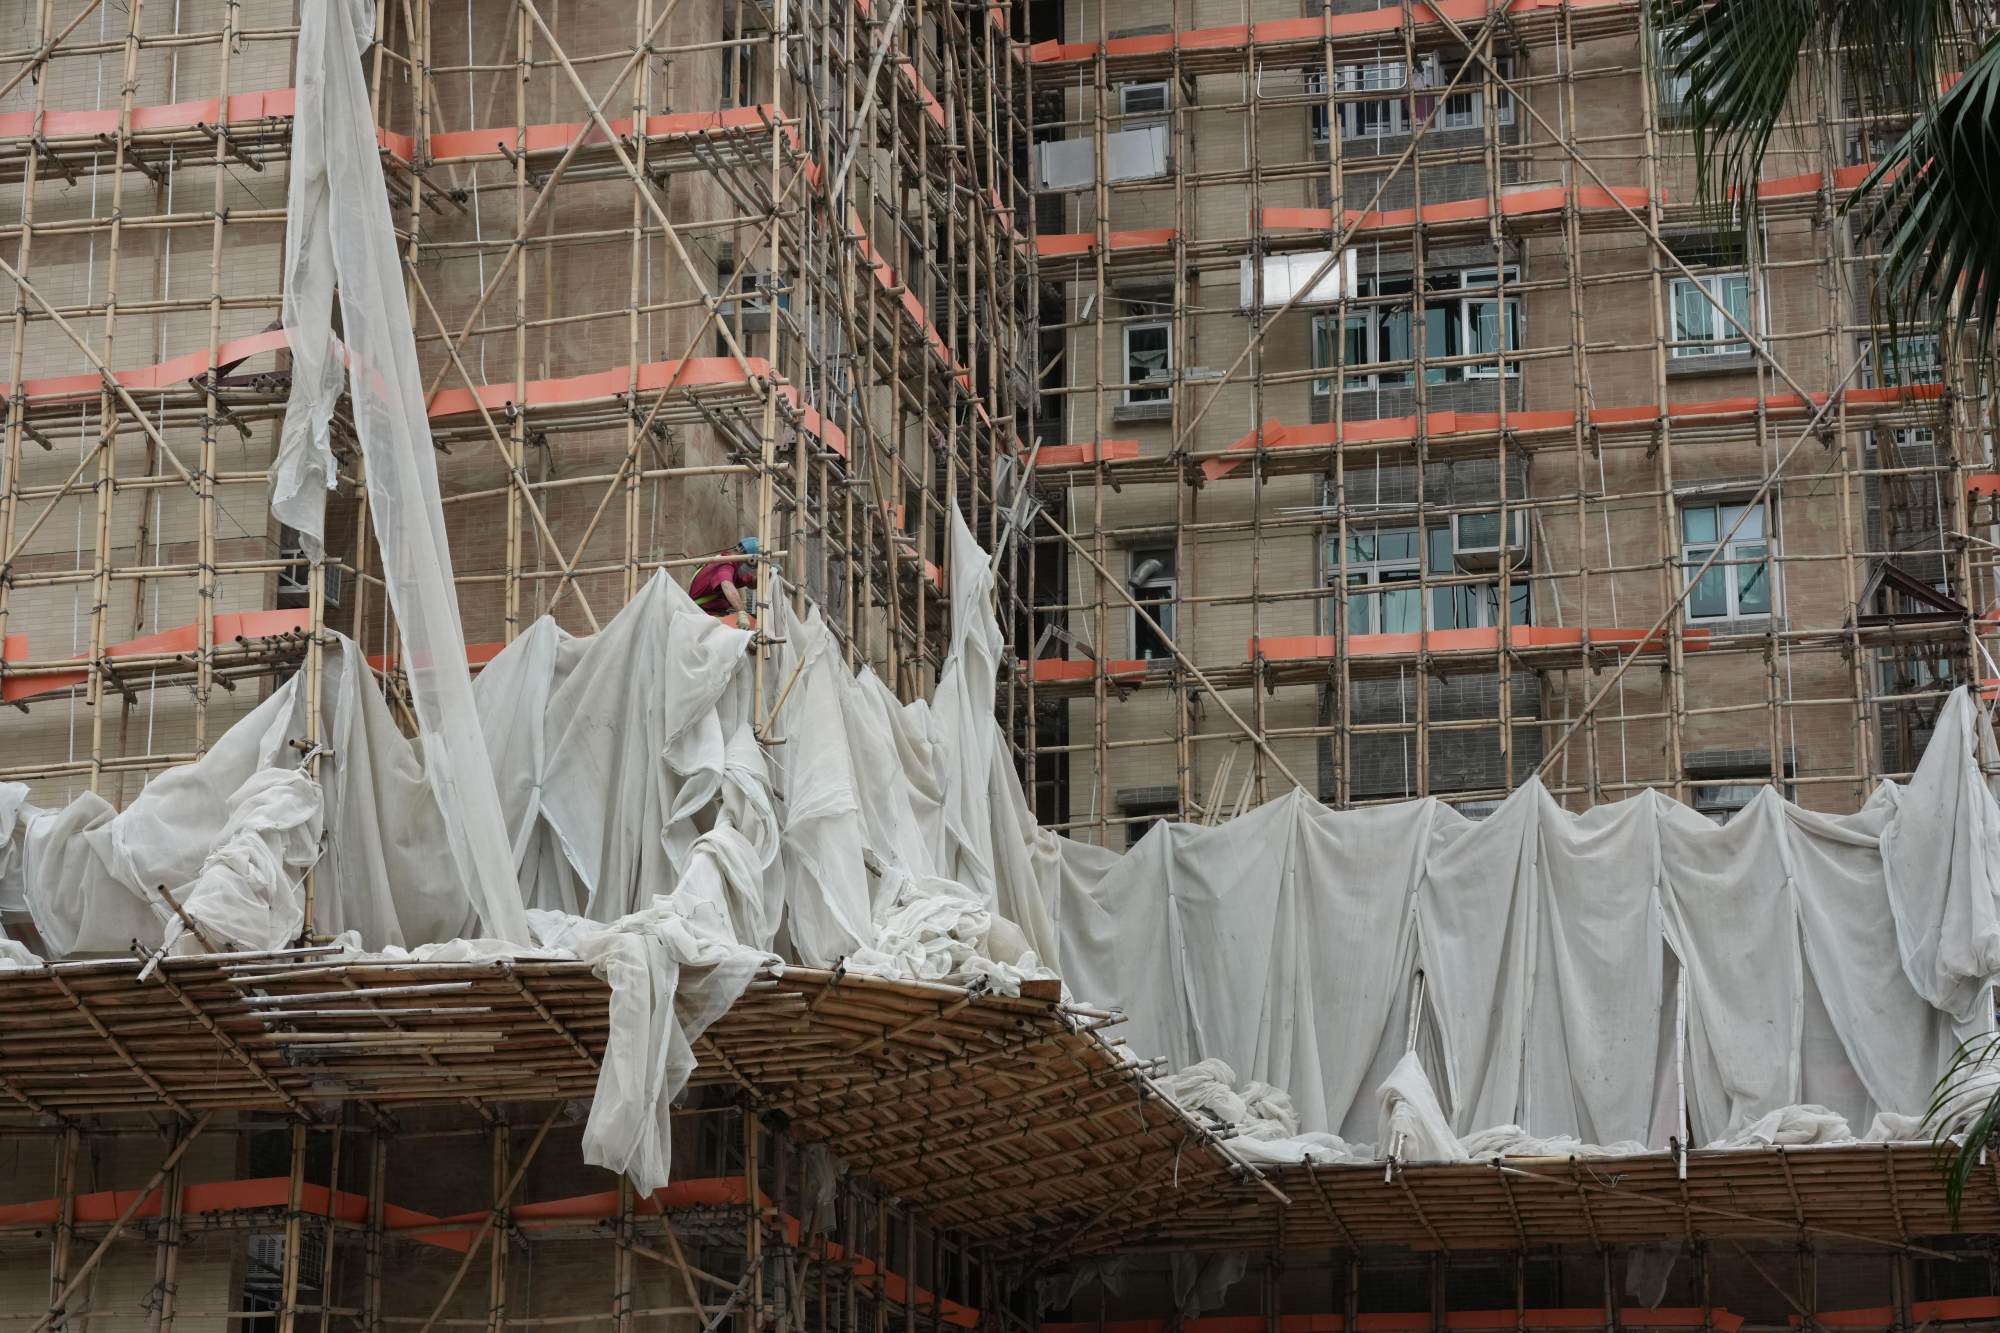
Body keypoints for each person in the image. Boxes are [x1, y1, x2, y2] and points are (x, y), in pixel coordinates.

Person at [690, 537, 760, 623]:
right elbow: (726, 585)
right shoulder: (725, 565)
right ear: (750, 559)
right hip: (704, 617)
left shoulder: (729, 565)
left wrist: (769, 573)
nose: (749, 569)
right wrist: (742, 612)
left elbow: (751, 583)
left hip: (709, 616)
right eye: (751, 566)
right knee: (753, 629)